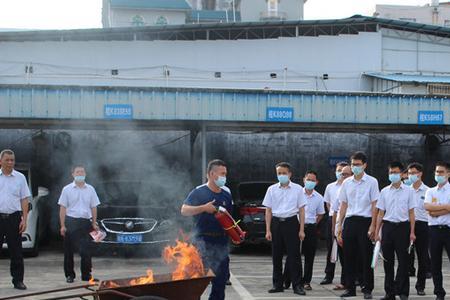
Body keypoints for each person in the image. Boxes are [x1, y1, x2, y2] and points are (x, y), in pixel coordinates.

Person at [181, 159, 232, 300]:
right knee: (195, 283)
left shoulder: (226, 195)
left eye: (225, 174)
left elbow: (229, 220)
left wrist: (235, 234)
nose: (224, 177)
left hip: (221, 243)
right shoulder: (199, 192)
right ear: (211, 174)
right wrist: (204, 208)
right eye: (222, 174)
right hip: (202, 242)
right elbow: (184, 210)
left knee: (220, 284)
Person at [337, 151, 379, 299]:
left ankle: (367, 288)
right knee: (349, 257)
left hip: (365, 221)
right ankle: (350, 288)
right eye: (353, 164)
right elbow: (343, 205)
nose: (355, 167)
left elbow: (375, 205)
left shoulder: (372, 182)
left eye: (358, 164)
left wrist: (373, 225)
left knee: (366, 257)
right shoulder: (346, 182)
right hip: (349, 221)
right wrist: (339, 226)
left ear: (365, 165)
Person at [263, 162, 306, 296]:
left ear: (290, 174)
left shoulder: (298, 189)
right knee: (276, 255)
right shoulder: (271, 189)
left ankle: (297, 285)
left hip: (292, 222)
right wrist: (268, 230)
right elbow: (268, 211)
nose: (281, 175)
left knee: (294, 256)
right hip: (276, 223)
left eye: (284, 173)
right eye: (279, 173)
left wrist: (301, 229)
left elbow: (302, 210)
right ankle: (277, 284)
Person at [375, 161, 416, 300]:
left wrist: (412, 232)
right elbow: (380, 213)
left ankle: (403, 292)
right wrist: (376, 231)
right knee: (388, 262)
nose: (393, 175)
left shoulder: (409, 191)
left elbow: (411, 213)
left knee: (404, 262)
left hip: (403, 228)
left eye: (396, 172)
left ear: (402, 174)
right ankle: (389, 293)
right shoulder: (384, 191)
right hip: (388, 228)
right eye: (391, 172)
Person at [58, 165, 100, 283]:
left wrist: (94, 222)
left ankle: (86, 275)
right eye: (77, 172)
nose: (80, 174)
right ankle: (69, 275)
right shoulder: (67, 189)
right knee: (68, 251)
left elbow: (94, 206)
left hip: (86, 222)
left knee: (86, 250)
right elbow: (62, 208)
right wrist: (62, 225)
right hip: (71, 221)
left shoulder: (90, 189)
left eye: (82, 172)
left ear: (85, 174)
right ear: (73, 174)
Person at [0, 149, 31, 290]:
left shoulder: (20, 178)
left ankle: (18, 280)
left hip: (14, 217)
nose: (10, 162)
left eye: (12, 160)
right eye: (7, 160)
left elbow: (24, 199)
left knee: (16, 251)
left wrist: (24, 219)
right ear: (1, 161)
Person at [424, 161, 450, 300]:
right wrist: (445, 207)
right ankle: (439, 292)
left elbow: (434, 210)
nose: (438, 174)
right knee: (435, 264)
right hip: (433, 230)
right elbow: (428, 208)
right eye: (436, 172)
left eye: (441, 172)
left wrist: (436, 209)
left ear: (448, 174)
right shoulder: (430, 190)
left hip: (448, 230)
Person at [322, 162, 349, 287]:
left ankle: (346, 278)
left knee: (345, 251)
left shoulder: (349, 185)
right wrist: (334, 224)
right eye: (339, 171)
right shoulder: (330, 187)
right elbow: (329, 205)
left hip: (347, 220)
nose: (341, 174)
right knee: (331, 249)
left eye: (344, 172)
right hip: (333, 219)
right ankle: (329, 275)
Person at [407, 162, 431, 296]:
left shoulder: (428, 191)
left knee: (422, 258)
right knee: (405, 257)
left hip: (422, 226)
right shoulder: (406, 189)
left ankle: (420, 286)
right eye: (409, 173)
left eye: (414, 173)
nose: (411, 176)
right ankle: (401, 285)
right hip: (407, 225)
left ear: (420, 174)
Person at [300, 170, 325, 290]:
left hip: (310, 228)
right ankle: (289, 280)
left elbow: (320, 214)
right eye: (308, 179)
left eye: (312, 180)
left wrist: (312, 222)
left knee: (309, 256)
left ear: (317, 182)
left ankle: (306, 281)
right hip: (296, 227)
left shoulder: (319, 197)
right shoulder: (297, 193)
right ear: (304, 180)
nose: (310, 182)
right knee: (293, 255)